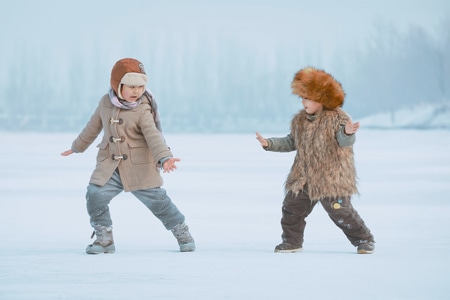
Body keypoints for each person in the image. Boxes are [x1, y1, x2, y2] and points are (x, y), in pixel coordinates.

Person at [61, 58, 195, 254]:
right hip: (110, 165)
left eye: (140, 87)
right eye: (131, 86)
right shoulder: (105, 102)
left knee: (159, 203)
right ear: (117, 84)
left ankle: (182, 232)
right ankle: (104, 239)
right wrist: (77, 147)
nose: (136, 91)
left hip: (139, 166)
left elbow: (153, 134)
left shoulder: (142, 107)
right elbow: (93, 127)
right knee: (95, 194)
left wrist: (165, 157)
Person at [255, 67, 374, 254]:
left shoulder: (338, 119)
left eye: (306, 98)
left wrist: (347, 133)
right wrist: (269, 143)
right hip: (304, 177)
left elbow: (344, 141)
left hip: (331, 178)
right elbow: (291, 141)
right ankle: (292, 242)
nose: (303, 102)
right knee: (292, 208)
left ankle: (363, 240)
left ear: (320, 99)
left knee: (340, 211)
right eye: (301, 97)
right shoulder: (300, 121)